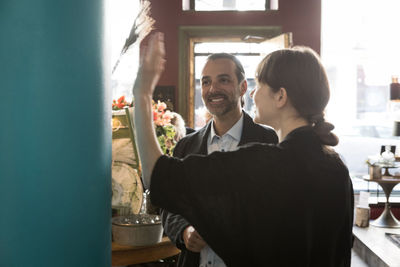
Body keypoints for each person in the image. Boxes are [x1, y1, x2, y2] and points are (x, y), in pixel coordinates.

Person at [133, 33, 354, 267]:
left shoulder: (263, 162)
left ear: (280, 96)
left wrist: (143, 93)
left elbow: (157, 176)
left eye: (259, 84)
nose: (253, 93)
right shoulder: (336, 166)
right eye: (205, 81)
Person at [161, 53, 279, 267]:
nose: (213, 89)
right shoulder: (185, 147)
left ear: (243, 87)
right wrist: (184, 230)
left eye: (223, 80)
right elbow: (169, 207)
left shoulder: (270, 141)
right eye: (206, 82)